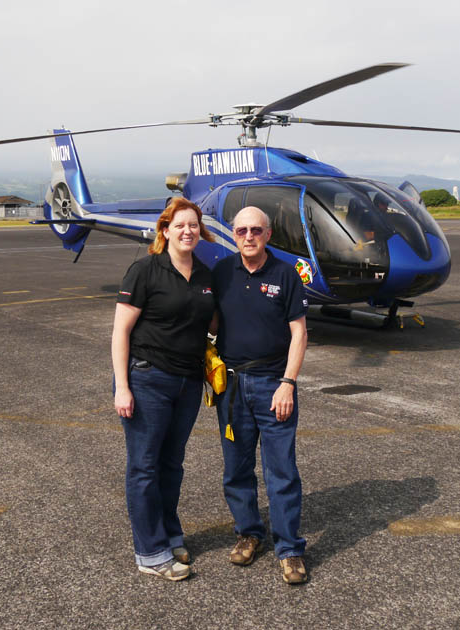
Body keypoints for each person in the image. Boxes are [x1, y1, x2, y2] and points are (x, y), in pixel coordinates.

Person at [111, 197, 216, 581]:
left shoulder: (205, 275)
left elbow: (214, 325)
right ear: (166, 230)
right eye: (180, 225)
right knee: (144, 467)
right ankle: (150, 552)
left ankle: (171, 535)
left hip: (187, 383)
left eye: (193, 225)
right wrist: (122, 386)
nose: (187, 231)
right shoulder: (145, 270)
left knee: (172, 465)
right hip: (147, 378)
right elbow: (121, 331)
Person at [211, 206, 310, 585]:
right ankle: (249, 533)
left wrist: (288, 382)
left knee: (281, 471)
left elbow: (299, 334)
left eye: (256, 230)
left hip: (273, 385)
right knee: (236, 468)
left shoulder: (285, 273)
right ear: (233, 235)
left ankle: (289, 549)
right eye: (241, 231)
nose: (248, 236)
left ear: (268, 234)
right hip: (232, 388)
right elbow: (211, 319)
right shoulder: (222, 272)